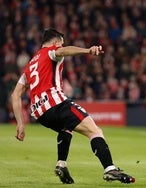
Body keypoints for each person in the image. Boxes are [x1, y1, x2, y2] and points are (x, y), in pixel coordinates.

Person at [11, 28, 135, 184]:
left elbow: (15, 95)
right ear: (55, 42)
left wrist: (20, 124)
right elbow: (63, 52)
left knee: (67, 128)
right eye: (62, 43)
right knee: (94, 130)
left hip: (40, 113)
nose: (62, 46)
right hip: (56, 103)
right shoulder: (51, 51)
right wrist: (88, 50)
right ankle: (110, 169)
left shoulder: (30, 65)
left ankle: (61, 165)